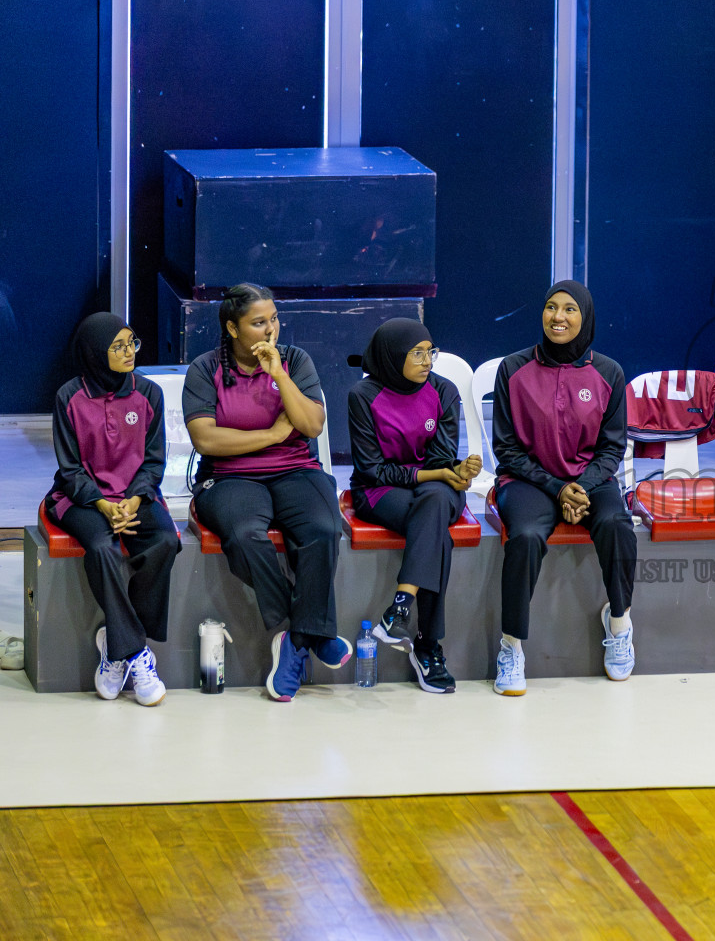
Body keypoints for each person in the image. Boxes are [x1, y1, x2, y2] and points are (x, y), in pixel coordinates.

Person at [182, 283, 350, 701]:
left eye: (273, 319)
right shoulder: (206, 369)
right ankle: (309, 629)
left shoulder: (294, 360)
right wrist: (272, 433)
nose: (271, 329)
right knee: (244, 536)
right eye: (258, 323)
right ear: (233, 328)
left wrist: (278, 374)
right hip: (229, 476)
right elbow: (206, 440)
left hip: (295, 469)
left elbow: (311, 425)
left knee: (325, 528)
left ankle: (295, 641)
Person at [491, 281, 635, 696]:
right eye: (551, 307)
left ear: (585, 317)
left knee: (616, 524)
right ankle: (511, 646)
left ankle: (620, 622)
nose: (558, 317)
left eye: (570, 309)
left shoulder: (608, 372)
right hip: (529, 481)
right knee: (526, 535)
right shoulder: (513, 369)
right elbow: (507, 449)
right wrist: (558, 489)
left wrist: (581, 487)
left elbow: (611, 448)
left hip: (590, 480)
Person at [45, 313, 179, 705]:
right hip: (81, 498)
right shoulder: (69, 396)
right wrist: (103, 504)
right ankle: (134, 651)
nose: (128, 352)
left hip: (134, 496)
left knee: (165, 541)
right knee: (102, 547)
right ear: (94, 353)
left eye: (131, 343)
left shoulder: (149, 393)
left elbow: (154, 461)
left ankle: (117, 640)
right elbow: (69, 469)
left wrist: (135, 499)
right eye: (117, 346)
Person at [348, 319, 480, 693]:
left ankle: (401, 607)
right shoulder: (363, 395)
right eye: (417, 353)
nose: (428, 361)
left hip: (438, 489)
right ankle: (427, 646)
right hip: (379, 491)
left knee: (436, 502)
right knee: (436, 529)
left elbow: (442, 457)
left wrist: (449, 474)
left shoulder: (444, 390)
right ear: (392, 357)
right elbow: (372, 469)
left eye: (430, 352)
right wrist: (435, 475)